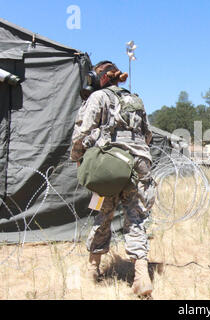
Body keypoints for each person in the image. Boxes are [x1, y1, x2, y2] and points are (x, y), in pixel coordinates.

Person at [70, 60, 155, 298]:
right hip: (139, 164)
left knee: (103, 213)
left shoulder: (99, 97)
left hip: (111, 165)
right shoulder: (136, 100)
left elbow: (84, 132)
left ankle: (92, 269)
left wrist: (77, 156)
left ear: (104, 77)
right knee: (135, 218)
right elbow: (147, 135)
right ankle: (141, 276)